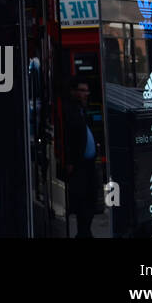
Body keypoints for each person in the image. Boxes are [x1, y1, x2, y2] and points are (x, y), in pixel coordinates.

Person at [62, 79, 98, 238]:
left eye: (87, 91)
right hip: (79, 165)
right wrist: (70, 161)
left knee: (91, 198)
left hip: (90, 164)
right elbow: (68, 137)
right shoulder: (70, 111)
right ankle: (83, 233)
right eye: (82, 90)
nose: (86, 94)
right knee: (82, 201)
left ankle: (85, 232)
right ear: (74, 92)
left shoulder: (84, 111)